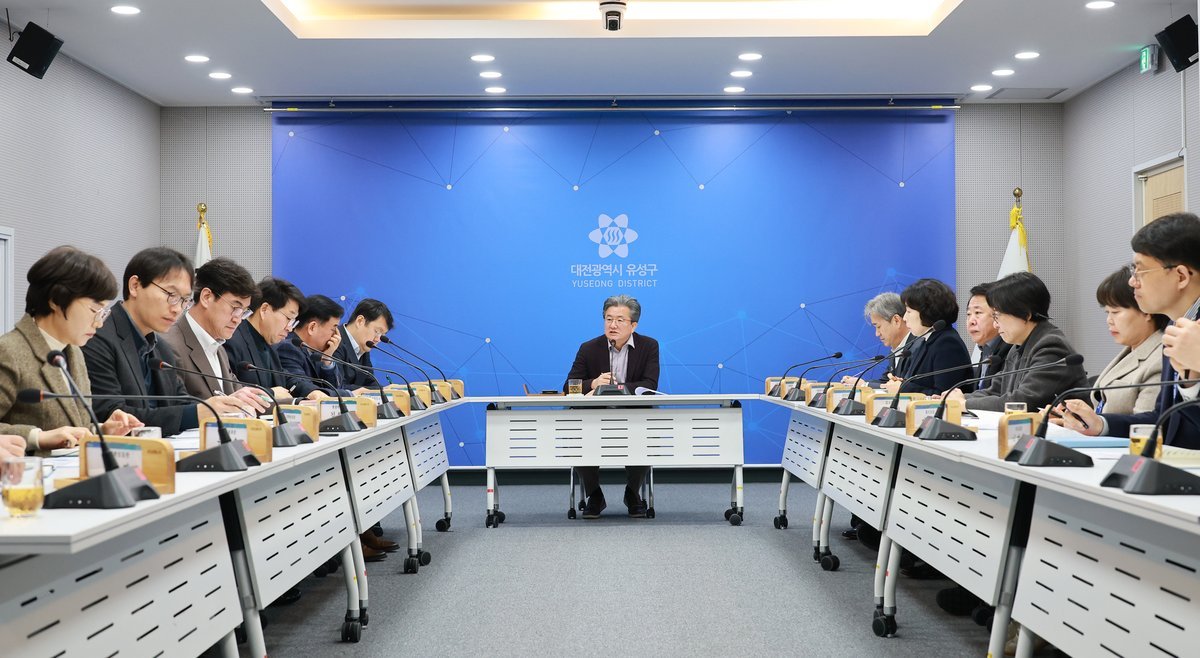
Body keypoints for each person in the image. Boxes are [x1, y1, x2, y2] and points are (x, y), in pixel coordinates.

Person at [82, 247, 266, 436]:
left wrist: (222, 407)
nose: (178, 309)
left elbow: (181, 403)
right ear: (135, 286)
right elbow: (110, 415)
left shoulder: (161, 349)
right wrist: (199, 412)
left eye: (184, 300)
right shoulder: (97, 337)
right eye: (171, 295)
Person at [1057, 212, 1200, 448]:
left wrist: (1194, 380)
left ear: (1181, 276)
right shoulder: (1175, 327)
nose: (1133, 281)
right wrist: (1101, 424)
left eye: (1140, 271)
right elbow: (1164, 422)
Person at [0, 246, 143, 451]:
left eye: (103, 313)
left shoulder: (74, 352)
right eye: (94, 310)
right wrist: (36, 437)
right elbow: (50, 434)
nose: (99, 323)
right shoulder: (9, 351)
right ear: (56, 301)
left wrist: (101, 430)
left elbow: (71, 428)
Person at [564, 294, 659, 518]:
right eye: (608, 319)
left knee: (644, 433)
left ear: (633, 325)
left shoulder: (648, 346)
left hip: (633, 416)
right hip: (594, 417)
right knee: (580, 434)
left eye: (619, 320)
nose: (612, 325)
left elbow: (650, 385)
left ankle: (633, 493)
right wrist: (593, 383)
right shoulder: (589, 348)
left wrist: (618, 388)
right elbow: (569, 386)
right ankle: (594, 495)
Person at [948, 272, 1087, 411]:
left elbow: (1023, 401)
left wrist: (964, 404)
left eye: (997, 316)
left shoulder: (1051, 346)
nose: (996, 325)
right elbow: (995, 391)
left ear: (1025, 315)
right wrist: (952, 400)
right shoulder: (1017, 347)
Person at [161, 258, 265, 404]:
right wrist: (225, 404)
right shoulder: (169, 346)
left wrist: (294, 403)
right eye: (235, 308)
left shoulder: (218, 347)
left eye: (244, 311)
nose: (238, 319)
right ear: (206, 297)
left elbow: (243, 397)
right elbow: (173, 409)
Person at [1086, 268, 1166, 415]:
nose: (1109, 320)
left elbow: (1146, 423)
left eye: (1115, 312)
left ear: (1146, 310)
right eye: (1107, 312)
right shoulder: (1132, 350)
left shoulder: (1161, 359)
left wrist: (1098, 424)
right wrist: (1076, 420)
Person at [225, 276, 318, 400]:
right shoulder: (231, 340)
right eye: (288, 318)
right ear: (264, 310)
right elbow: (230, 390)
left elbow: (285, 377)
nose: (290, 328)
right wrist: (270, 393)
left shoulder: (270, 344)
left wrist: (312, 392)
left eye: (293, 322)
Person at [885, 279, 974, 395]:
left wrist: (903, 388)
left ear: (927, 312)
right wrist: (901, 383)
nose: (905, 318)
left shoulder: (947, 343)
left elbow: (943, 394)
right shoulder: (926, 340)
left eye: (909, 311)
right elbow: (921, 384)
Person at [276, 294, 368, 398]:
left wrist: (327, 360)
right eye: (333, 329)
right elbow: (304, 389)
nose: (336, 336)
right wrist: (349, 394)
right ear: (312, 327)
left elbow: (336, 388)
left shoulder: (315, 351)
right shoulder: (289, 348)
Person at [333, 298, 393, 388]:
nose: (378, 339)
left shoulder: (363, 346)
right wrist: (368, 391)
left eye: (382, 335)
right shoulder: (335, 341)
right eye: (377, 331)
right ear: (360, 321)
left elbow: (370, 382)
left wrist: (388, 391)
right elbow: (338, 387)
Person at [964, 283, 1011, 389]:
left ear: (998, 315)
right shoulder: (986, 348)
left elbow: (999, 394)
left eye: (977, 312)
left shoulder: (1009, 350)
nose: (971, 321)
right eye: (968, 314)